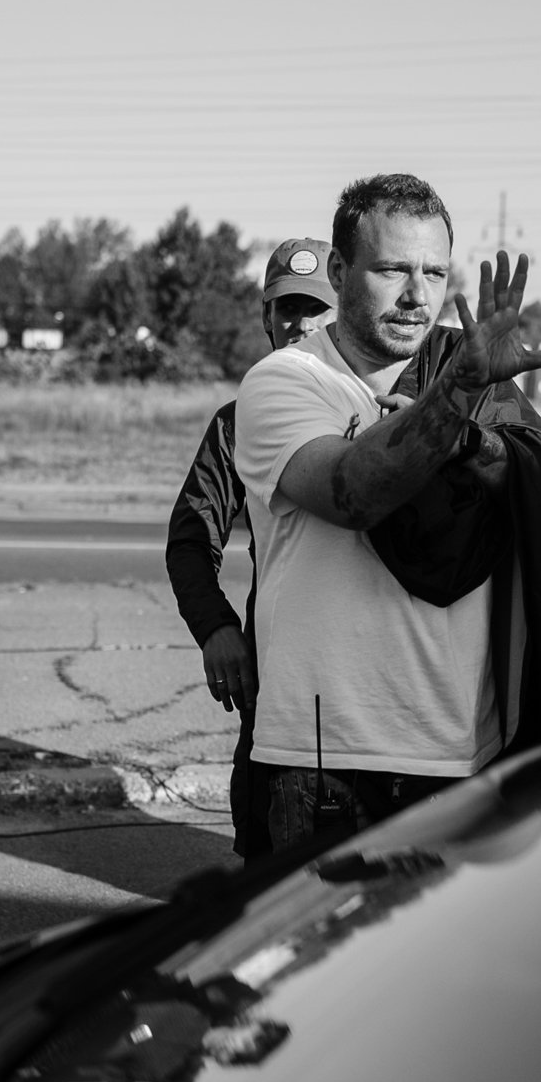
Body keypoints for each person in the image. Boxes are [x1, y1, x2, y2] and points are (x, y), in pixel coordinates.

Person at [232, 174, 541, 848]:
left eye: (434, 272)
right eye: (392, 270)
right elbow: (355, 492)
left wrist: (476, 437)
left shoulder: (475, 380)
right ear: (339, 271)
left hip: (461, 752)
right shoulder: (286, 380)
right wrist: (459, 392)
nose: (418, 295)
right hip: (326, 760)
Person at [164, 237, 338, 860]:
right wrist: (215, 628)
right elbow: (190, 540)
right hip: (276, 672)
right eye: (287, 308)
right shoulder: (236, 422)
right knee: (266, 854)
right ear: (266, 316)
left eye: (315, 308)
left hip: (368, 677)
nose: (300, 324)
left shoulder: (377, 406)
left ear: (342, 313)